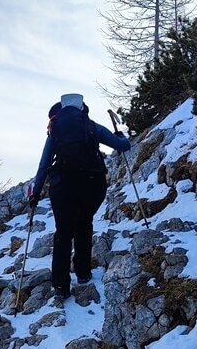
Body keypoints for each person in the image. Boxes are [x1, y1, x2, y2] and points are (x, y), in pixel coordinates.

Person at [28, 93, 131, 300]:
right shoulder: (92, 126)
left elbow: (43, 164)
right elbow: (123, 146)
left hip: (63, 186)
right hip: (92, 184)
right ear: (82, 110)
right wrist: (120, 137)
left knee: (63, 232)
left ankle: (61, 286)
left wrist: (36, 193)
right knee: (84, 223)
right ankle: (83, 273)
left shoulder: (55, 133)